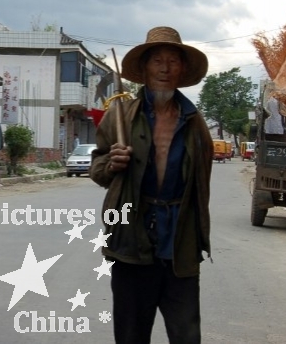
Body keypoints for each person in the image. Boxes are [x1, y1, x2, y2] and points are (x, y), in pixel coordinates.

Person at [90, 26, 213, 344]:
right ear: (144, 68)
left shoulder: (195, 123)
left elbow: (202, 184)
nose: (164, 67)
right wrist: (112, 164)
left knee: (187, 336)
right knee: (131, 336)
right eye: (157, 60)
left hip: (179, 247)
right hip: (131, 244)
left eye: (173, 60)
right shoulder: (120, 115)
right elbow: (98, 168)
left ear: (182, 69)